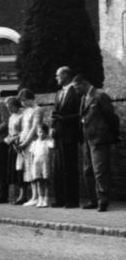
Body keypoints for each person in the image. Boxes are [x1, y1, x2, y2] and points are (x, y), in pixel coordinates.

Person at [73, 74, 120, 212]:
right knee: (87, 171)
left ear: (83, 83)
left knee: (100, 171)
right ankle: (93, 200)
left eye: (77, 87)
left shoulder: (100, 96)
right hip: (86, 140)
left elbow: (112, 117)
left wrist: (114, 135)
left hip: (99, 139)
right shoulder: (83, 98)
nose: (76, 91)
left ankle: (103, 201)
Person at [50, 66, 81, 208]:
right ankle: (60, 198)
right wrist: (52, 127)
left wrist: (63, 119)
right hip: (58, 135)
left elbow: (80, 113)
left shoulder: (76, 92)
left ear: (66, 76)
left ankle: (71, 200)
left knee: (69, 168)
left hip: (69, 135)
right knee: (58, 169)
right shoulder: (58, 93)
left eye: (58, 75)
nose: (56, 78)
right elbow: (55, 113)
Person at [17, 89, 44, 207]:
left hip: (32, 143)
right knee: (28, 169)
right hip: (24, 143)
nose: (22, 103)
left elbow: (34, 128)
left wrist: (25, 142)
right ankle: (33, 196)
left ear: (28, 98)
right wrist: (19, 140)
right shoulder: (26, 111)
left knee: (35, 170)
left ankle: (38, 196)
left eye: (23, 100)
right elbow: (23, 128)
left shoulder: (38, 110)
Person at [3, 96, 28, 205]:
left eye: (10, 106)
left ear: (15, 105)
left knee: (21, 170)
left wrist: (14, 139)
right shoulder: (11, 117)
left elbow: (24, 131)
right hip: (12, 146)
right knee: (13, 171)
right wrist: (7, 138)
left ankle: (23, 196)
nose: (9, 109)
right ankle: (15, 195)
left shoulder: (22, 116)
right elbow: (10, 131)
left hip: (20, 145)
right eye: (7, 107)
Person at [30, 123, 54, 208]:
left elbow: (52, 147)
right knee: (38, 181)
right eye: (39, 132)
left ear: (46, 133)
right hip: (36, 163)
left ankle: (46, 199)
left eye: (43, 132)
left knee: (46, 181)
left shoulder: (48, 141)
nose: (41, 134)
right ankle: (40, 198)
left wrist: (50, 135)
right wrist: (32, 166)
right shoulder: (34, 143)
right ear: (37, 132)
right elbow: (32, 155)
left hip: (45, 162)